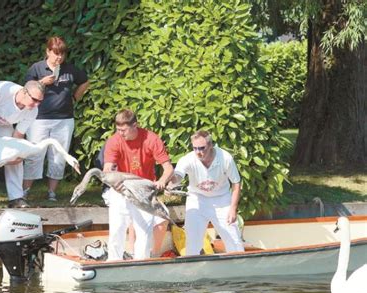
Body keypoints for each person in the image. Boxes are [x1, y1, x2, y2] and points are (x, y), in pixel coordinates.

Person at [23, 36, 89, 201]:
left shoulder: (69, 69)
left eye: (62, 54)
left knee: (59, 156)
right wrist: (42, 82)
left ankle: (52, 193)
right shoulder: (37, 68)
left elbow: (85, 82)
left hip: (64, 120)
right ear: (48, 51)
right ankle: (23, 192)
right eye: (56, 53)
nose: (59, 57)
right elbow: (26, 89)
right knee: (34, 155)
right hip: (38, 119)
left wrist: (75, 98)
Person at [103, 109, 174, 260]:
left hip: (144, 190)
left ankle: (141, 261)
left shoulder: (151, 139)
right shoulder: (114, 141)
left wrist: (162, 181)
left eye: (124, 130)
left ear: (135, 125)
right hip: (121, 188)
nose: (120, 133)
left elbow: (168, 168)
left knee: (144, 231)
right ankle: (113, 262)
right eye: (118, 130)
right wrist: (113, 181)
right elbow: (108, 168)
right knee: (116, 229)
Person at [166, 130, 244, 254]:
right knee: (192, 242)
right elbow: (178, 176)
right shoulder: (188, 159)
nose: (198, 152)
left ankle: (241, 269)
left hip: (222, 200)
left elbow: (236, 182)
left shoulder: (225, 158)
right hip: (197, 199)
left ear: (211, 145)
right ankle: (192, 270)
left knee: (234, 240)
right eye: (195, 148)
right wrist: (170, 182)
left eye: (202, 148)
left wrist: (233, 208)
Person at [0, 80, 45, 208]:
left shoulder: (33, 110)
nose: (36, 104)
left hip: (2, 123)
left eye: (40, 101)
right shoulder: (3, 90)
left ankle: (16, 197)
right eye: (34, 99)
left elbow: (17, 136)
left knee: (15, 155)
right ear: (24, 92)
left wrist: (15, 155)